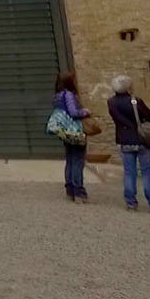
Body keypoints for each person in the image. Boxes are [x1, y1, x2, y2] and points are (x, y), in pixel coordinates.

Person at [115, 75, 150, 211]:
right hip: (141, 140)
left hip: (124, 140)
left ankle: (131, 203)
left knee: (129, 172)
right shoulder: (135, 101)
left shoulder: (111, 102)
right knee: (147, 173)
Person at [59, 70, 94, 202]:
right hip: (75, 130)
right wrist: (85, 111)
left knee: (70, 159)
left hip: (65, 131)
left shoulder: (58, 96)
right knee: (78, 160)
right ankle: (79, 191)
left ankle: (70, 189)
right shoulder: (68, 95)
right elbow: (73, 112)